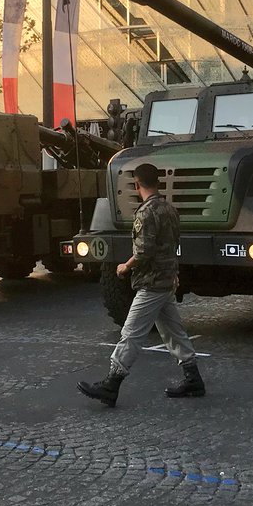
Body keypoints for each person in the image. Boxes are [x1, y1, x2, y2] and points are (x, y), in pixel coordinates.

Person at [78, 162, 205, 407]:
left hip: (152, 283)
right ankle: (194, 379)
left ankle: (111, 384)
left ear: (137, 185)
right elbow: (173, 245)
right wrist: (174, 273)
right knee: (174, 333)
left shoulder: (146, 213)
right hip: (166, 280)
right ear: (158, 182)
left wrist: (125, 266)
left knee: (131, 333)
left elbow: (144, 251)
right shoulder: (170, 209)